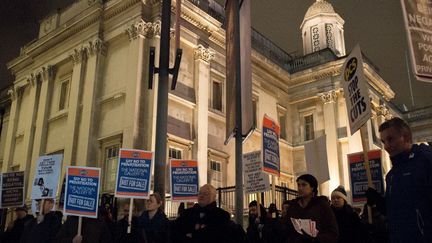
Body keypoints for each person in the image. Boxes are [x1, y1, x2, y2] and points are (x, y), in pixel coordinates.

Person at [366, 117, 432, 243]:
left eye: (391, 139)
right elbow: (396, 210)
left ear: (406, 137)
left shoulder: (425, 161)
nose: (386, 146)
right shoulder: (391, 175)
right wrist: (379, 202)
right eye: (383, 141)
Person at [284, 174, 339, 243]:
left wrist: (315, 239)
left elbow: (332, 232)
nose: (300, 188)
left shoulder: (321, 205)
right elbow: (286, 228)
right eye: (298, 185)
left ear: (312, 187)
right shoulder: (294, 206)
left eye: (304, 185)